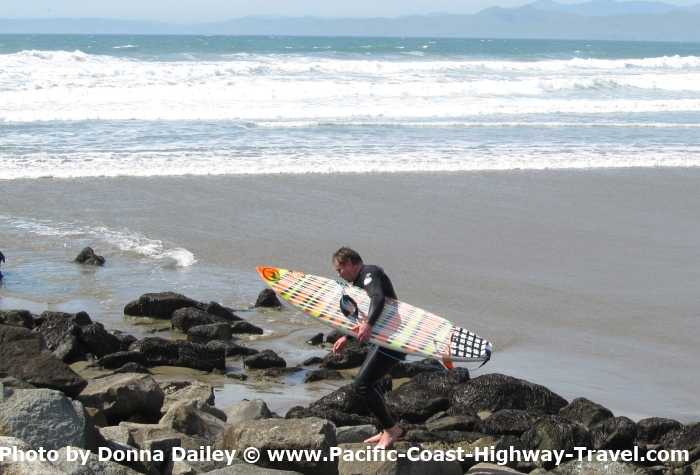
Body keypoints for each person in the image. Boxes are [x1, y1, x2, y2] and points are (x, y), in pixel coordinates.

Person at [332, 247, 404, 448]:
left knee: (361, 385)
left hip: (393, 341)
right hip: (384, 339)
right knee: (368, 384)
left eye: (339, 270)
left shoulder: (370, 273)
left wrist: (369, 325)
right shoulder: (359, 282)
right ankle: (386, 429)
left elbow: (378, 299)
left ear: (349, 263)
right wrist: (348, 337)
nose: (339, 275)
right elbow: (365, 313)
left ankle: (392, 430)